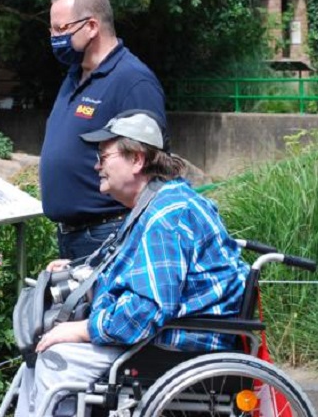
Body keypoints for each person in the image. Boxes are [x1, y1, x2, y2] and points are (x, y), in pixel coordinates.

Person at [16, 110, 249, 417]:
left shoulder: (165, 218)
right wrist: (78, 271)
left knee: (53, 360)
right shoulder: (159, 202)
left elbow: (144, 312)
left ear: (137, 160)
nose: (97, 165)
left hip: (175, 343)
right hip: (166, 333)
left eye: (104, 155)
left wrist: (82, 329)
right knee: (40, 353)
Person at [40, 0, 167, 261]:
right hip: (71, 235)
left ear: (92, 26)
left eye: (61, 29)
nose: (54, 37)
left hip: (108, 231)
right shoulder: (75, 76)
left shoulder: (133, 81)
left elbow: (151, 166)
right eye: (51, 30)